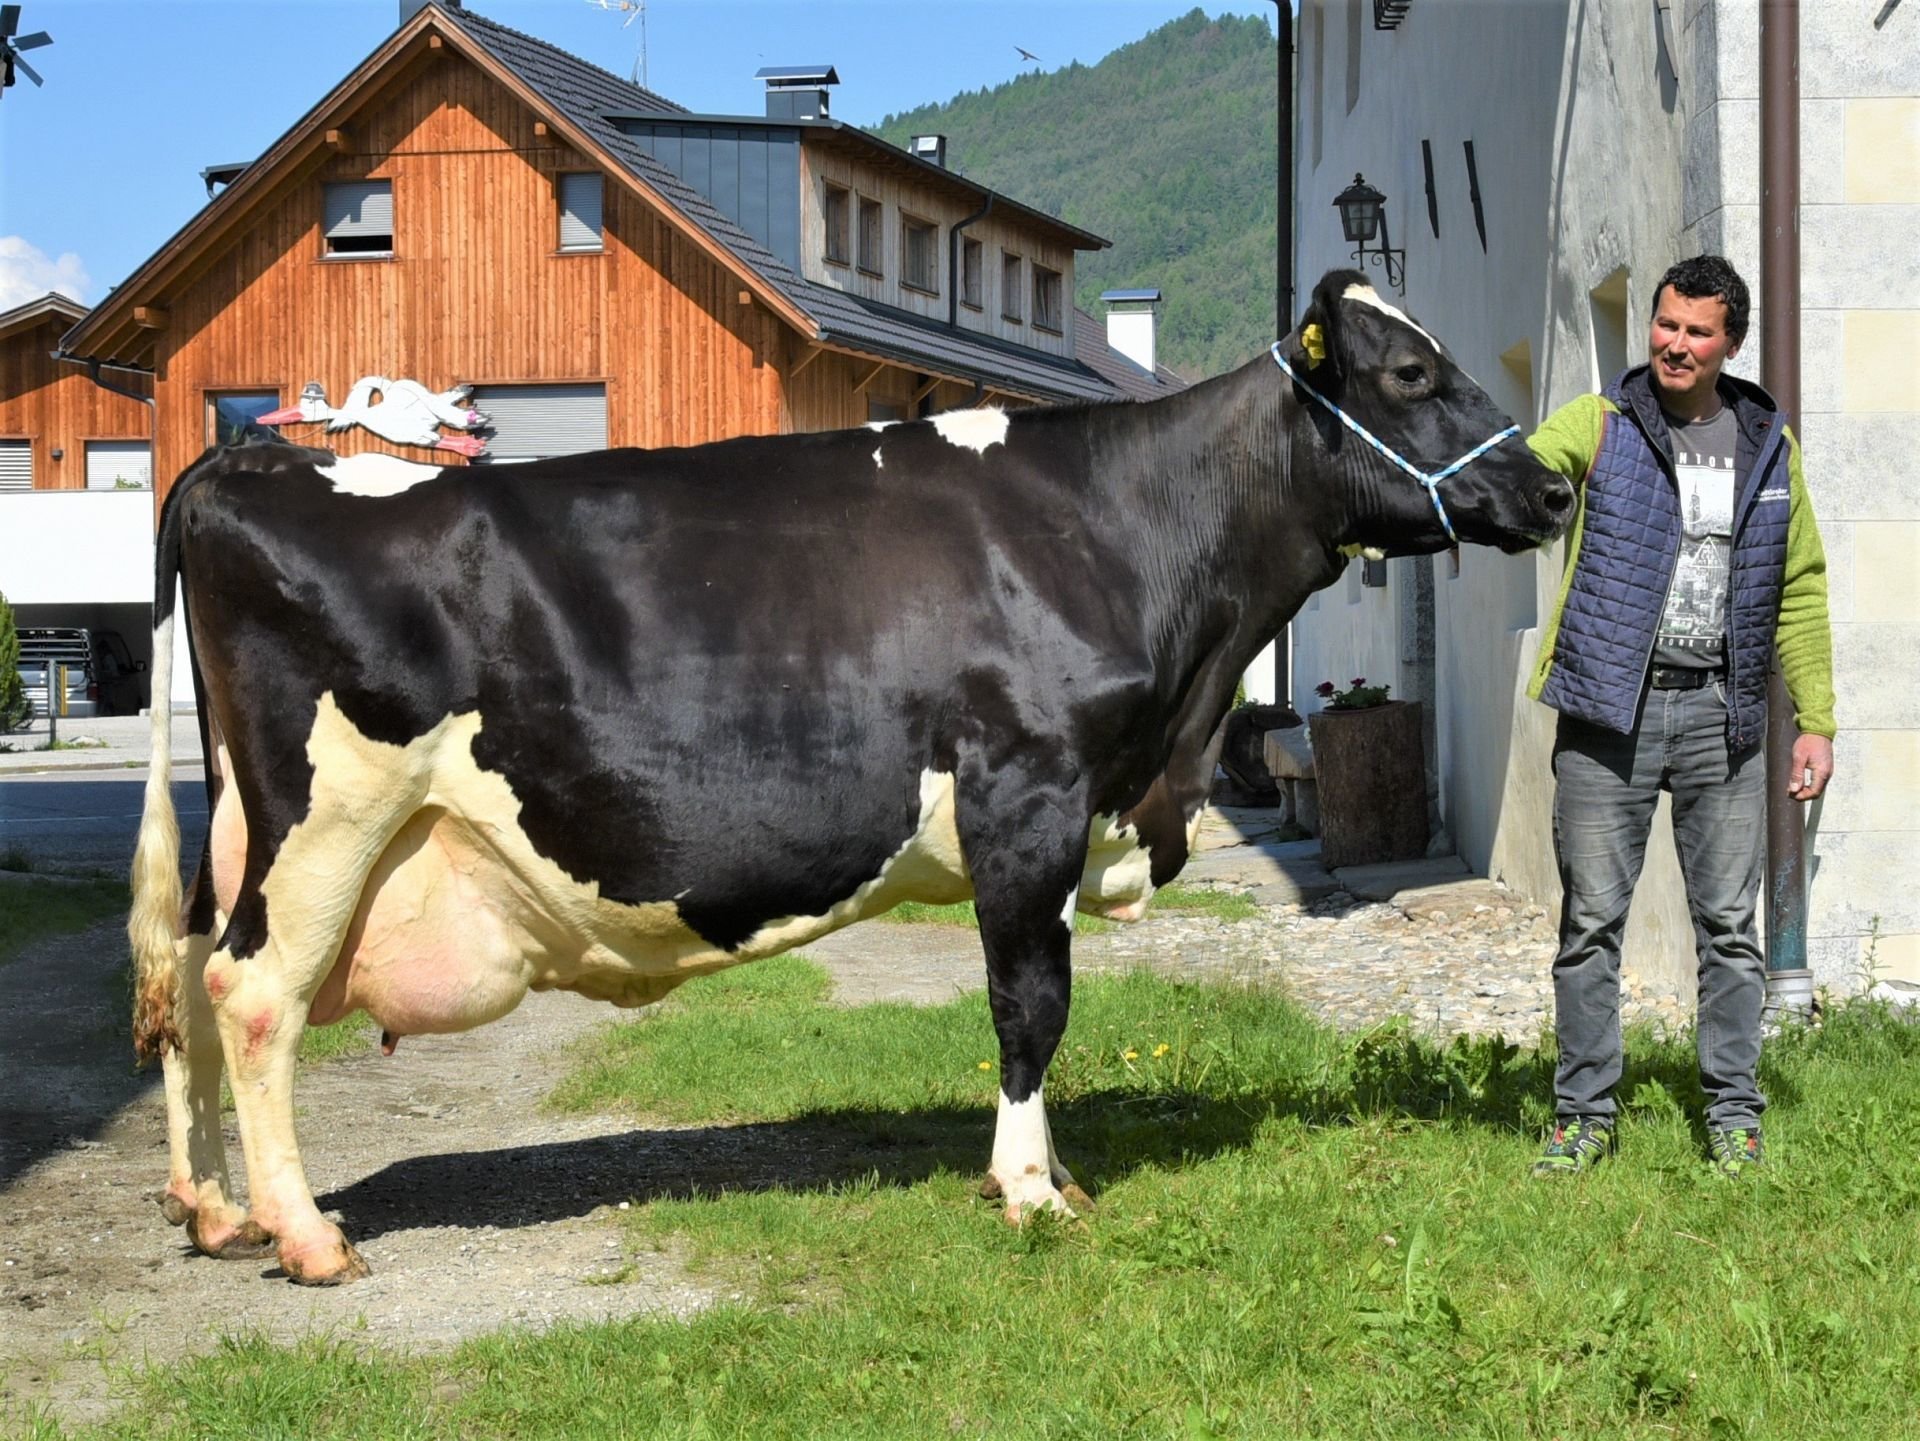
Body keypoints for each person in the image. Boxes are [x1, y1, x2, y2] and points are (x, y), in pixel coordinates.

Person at [1522, 254, 1836, 1179]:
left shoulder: (1768, 446)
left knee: (1730, 929)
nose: (1676, 343)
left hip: (1723, 714)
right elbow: (1526, 477)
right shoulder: (1602, 422)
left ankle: (1734, 1113)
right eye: (1666, 324)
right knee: (1591, 924)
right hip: (1606, 710)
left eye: (1698, 332)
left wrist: (1814, 718)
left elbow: (1801, 588)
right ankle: (1584, 1113)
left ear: (1729, 343)